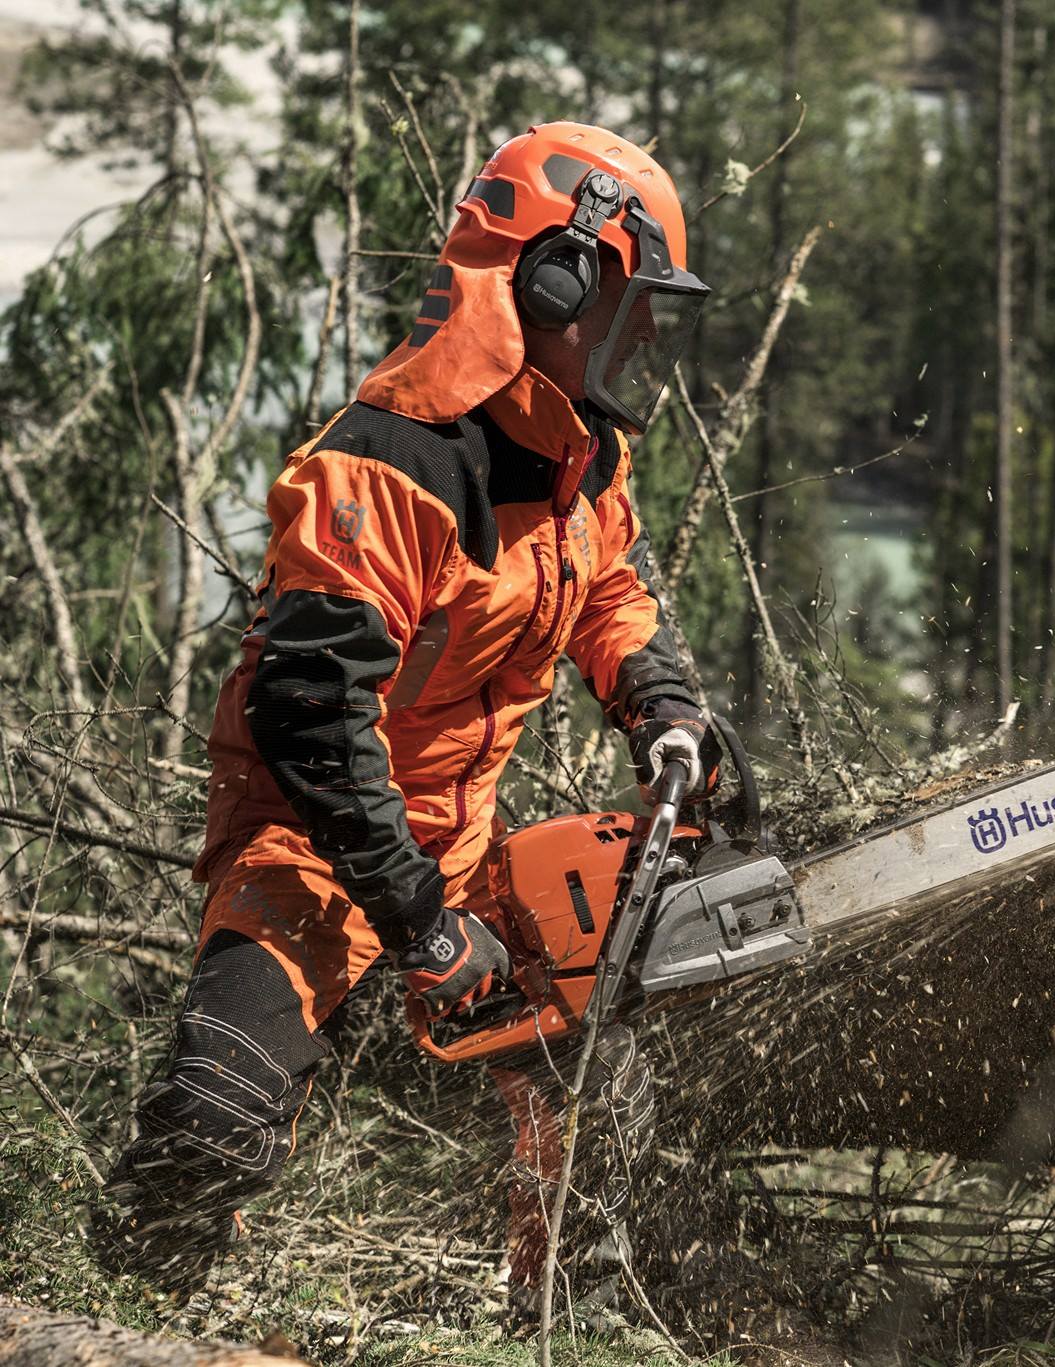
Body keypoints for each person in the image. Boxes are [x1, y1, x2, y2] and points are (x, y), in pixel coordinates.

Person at [94, 122, 718, 1294]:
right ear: (556, 277)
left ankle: (561, 1309)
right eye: (631, 308)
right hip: (317, 842)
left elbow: (610, 590)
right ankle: (124, 1307)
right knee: (211, 1119)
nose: (642, 340)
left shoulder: (579, 455)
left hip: (464, 833)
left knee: (599, 1092)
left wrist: (661, 702)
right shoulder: (387, 464)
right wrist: (424, 925)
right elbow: (311, 715)